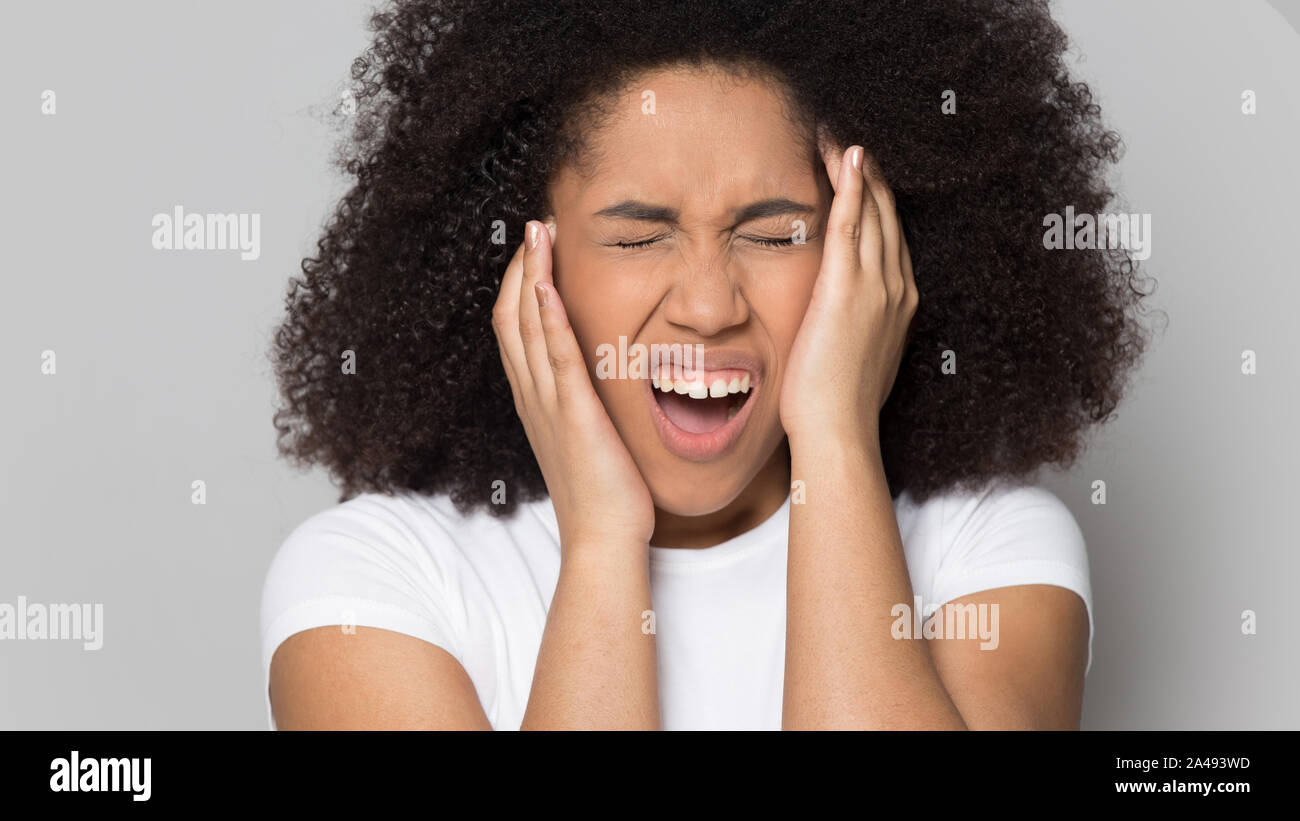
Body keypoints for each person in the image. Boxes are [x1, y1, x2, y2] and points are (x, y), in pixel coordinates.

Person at [262, 0, 1150, 729]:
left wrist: (838, 439)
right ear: (525, 263)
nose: (710, 304)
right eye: (638, 235)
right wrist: (605, 544)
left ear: (866, 249)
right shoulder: (371, 579)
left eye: (772, 234)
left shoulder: (985, 550)